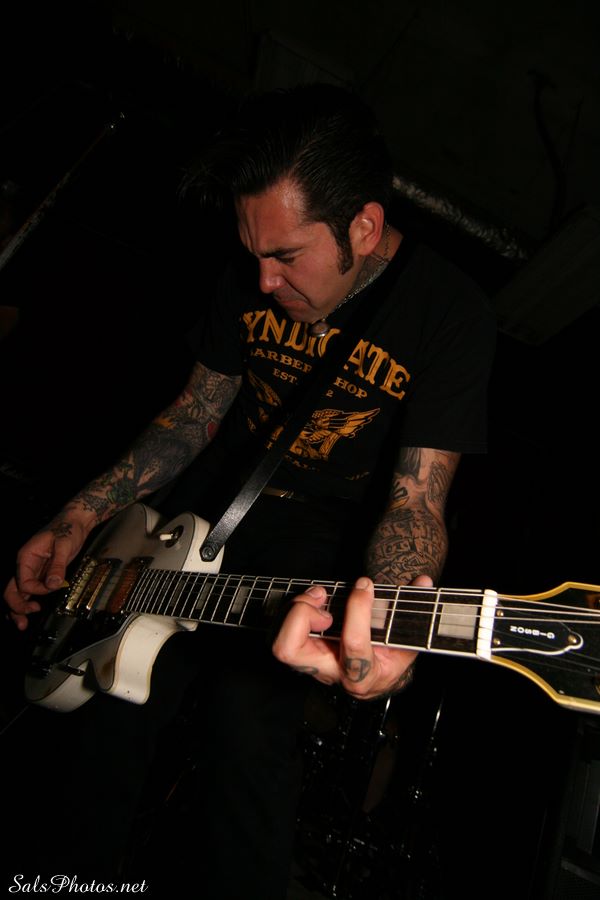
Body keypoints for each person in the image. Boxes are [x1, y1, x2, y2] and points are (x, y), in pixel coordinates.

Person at [3, 83, 496, 897]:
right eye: (252, 253)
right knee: (105, 721)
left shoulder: (448, 314)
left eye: (287, 257)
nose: (262, 280)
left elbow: (416, 501)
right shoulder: (251, 269)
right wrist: (78, 515)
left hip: (319, 536)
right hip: (212, 501)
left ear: (363, 228)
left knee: (249, 733)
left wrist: (393, 618)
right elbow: (194, 414)